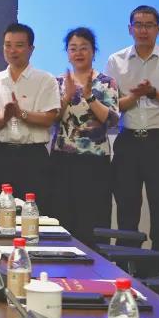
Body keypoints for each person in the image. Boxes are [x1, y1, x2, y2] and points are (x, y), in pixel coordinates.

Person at [104, 5, 159, 254]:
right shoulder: (116, 60)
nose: (143, 30)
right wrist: (135, 96)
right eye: (138, 25)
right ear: (130, 28)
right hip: (128, 142)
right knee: (126, 210)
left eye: (149, 25)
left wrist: (153, 93)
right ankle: (127, 267)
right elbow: (110, 107)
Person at [49, 27, 119, 241]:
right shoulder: (57, 82)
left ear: (93, 51)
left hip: (94, 162)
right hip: (62, 160)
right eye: (73, 48)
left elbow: (112, 120)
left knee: (93, 219)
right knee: (62, 217)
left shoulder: (106, 82)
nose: (78, 53)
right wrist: (66, 97)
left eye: (84, 48)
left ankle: (96, 262)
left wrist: (89, 96)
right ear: (67, 53)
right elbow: (52, 119)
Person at [0, 23, 60, 208]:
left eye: (19, 45)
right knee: (0, 211)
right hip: (2, 155)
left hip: (33, 158)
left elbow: (49, 119)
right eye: (7, 45)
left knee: (35, 212)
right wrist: (4, 117)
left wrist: (21, 114)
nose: (12, 50)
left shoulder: (45, 80)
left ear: (31, 49)